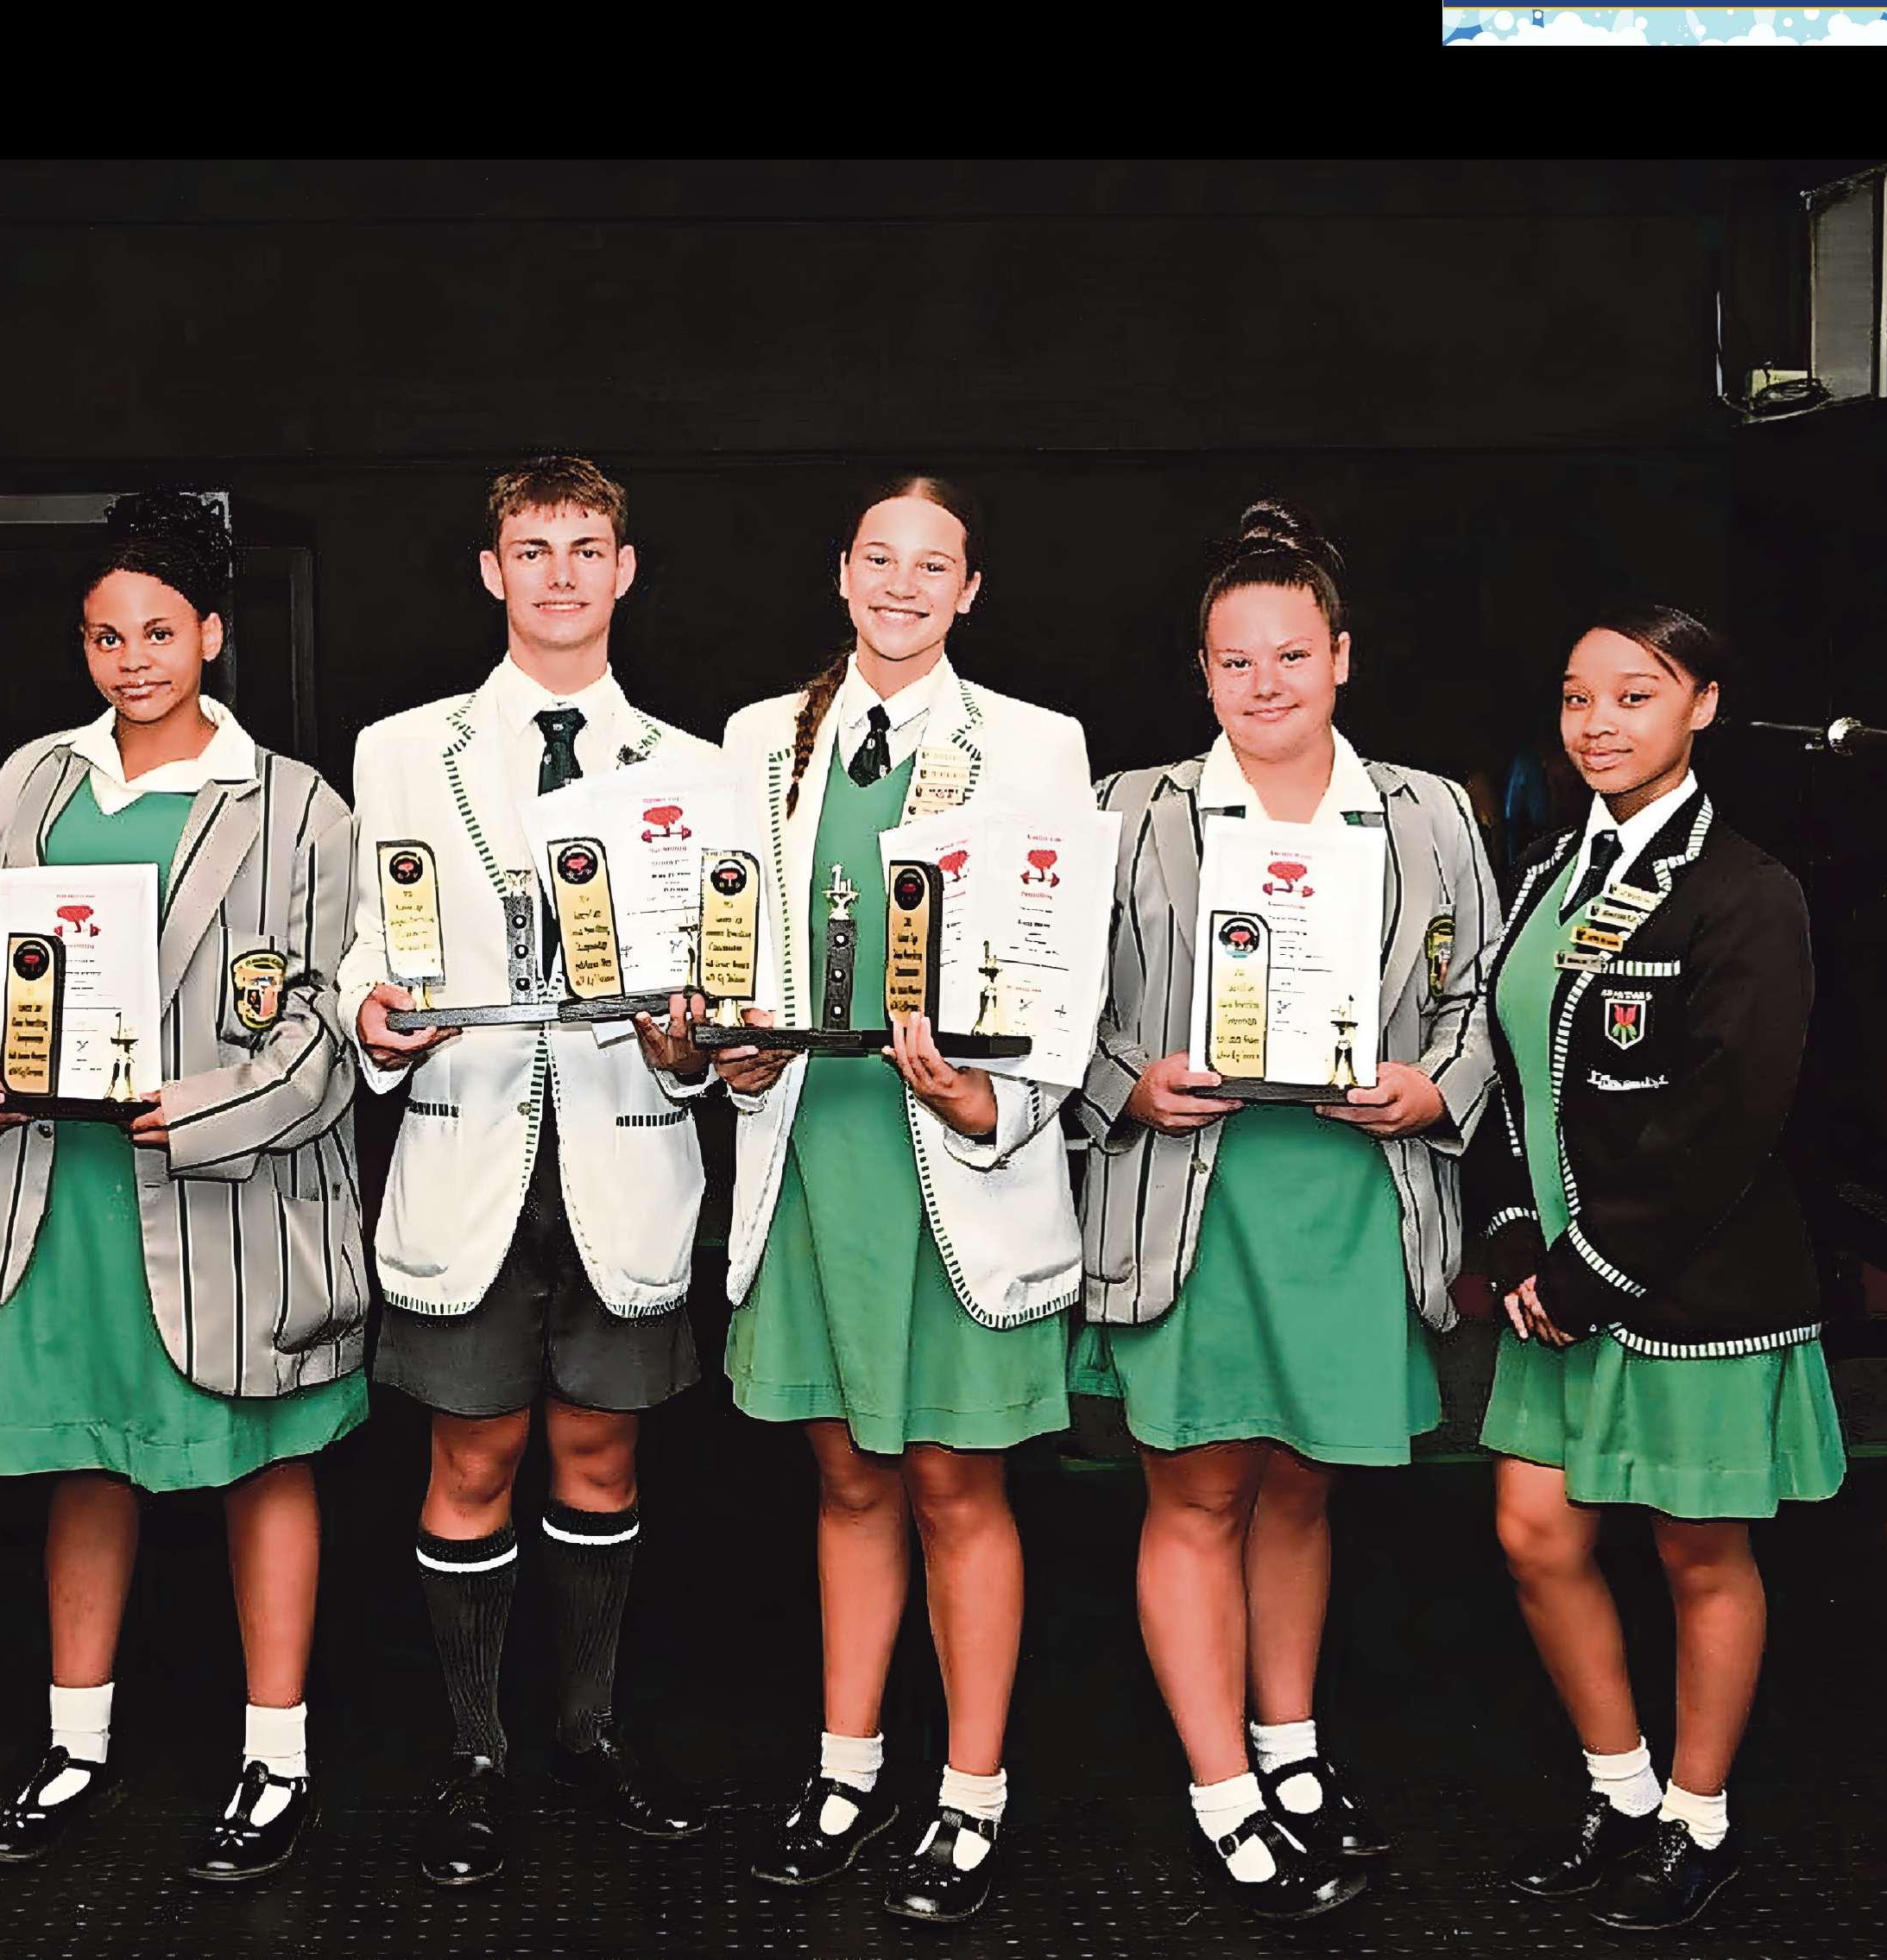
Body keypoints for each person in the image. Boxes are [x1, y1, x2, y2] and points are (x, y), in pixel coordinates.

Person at [1067, 498, 1501, 1919]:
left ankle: (1291, 1751)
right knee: (1198, 1488)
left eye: (1292, 654)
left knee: (1304, 1481)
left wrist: (1435, 1089)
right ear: (1200, 672)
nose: (1266, 684)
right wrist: (1127, 1085)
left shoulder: (1429, 812)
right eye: (1235, 660)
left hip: (1353, 1192)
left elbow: (1477, 999)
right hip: (1195, 1193)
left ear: (1341, 656)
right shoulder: (1130, 811)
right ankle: (1220, 1793)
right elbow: (1057, 1005)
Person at [0, 490, 367, 1888]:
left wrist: (205, 1109)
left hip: (223, 1194)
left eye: (159, 632)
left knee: (263, 1464)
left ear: (213, 636)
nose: (132, 660)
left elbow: (322, 1022)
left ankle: (276, 1758)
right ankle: (75, 1747)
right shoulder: (35, 780)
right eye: (106, 636)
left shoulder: (296, 804)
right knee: (85, 1459)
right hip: (54, 1187)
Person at [331, 455, 718, 1891]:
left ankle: (589, 1732)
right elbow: (366, 942)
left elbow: (722, 971)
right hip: (467, 1143)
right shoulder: (400, 750)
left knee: (600, 1454)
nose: (560, 573)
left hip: (621, 1147)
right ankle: (474, 1754)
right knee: (471, 1456)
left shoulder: (694, 769)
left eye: (585, 547)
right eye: (533, 549)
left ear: (625, 570)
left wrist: (696, 1041)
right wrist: (369, 1010)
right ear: (492, 572)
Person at [710, 474, 1091, 1928]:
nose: (902, 585)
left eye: (933, 566)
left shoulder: (1034, 744)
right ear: (841, 573)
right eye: (880, 558)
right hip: (815, 1149)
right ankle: (846, 1770)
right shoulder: (758, 739)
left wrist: (994, 1103)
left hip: (951, 1156)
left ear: (969, 591)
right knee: (850, 1479)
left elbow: (1065, 968)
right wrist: (733, 1049)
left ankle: (970, 1793)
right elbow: (729, 942)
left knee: (952, 1484)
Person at [1466, 603, 1844, 1933]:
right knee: (1533, 1534)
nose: (1598, 723)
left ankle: (1698, 1821)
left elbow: (1726, 1116)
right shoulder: (1543, 875)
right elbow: (1506, 1075)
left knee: (1697, 1555)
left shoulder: (1744, 891)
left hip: (1687, 1289)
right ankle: (1619, 1791)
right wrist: (1510, 1235)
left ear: (1702, 705)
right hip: (1551, 1283)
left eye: (1635, 694)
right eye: (1579, 697)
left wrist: (1587, 1271)